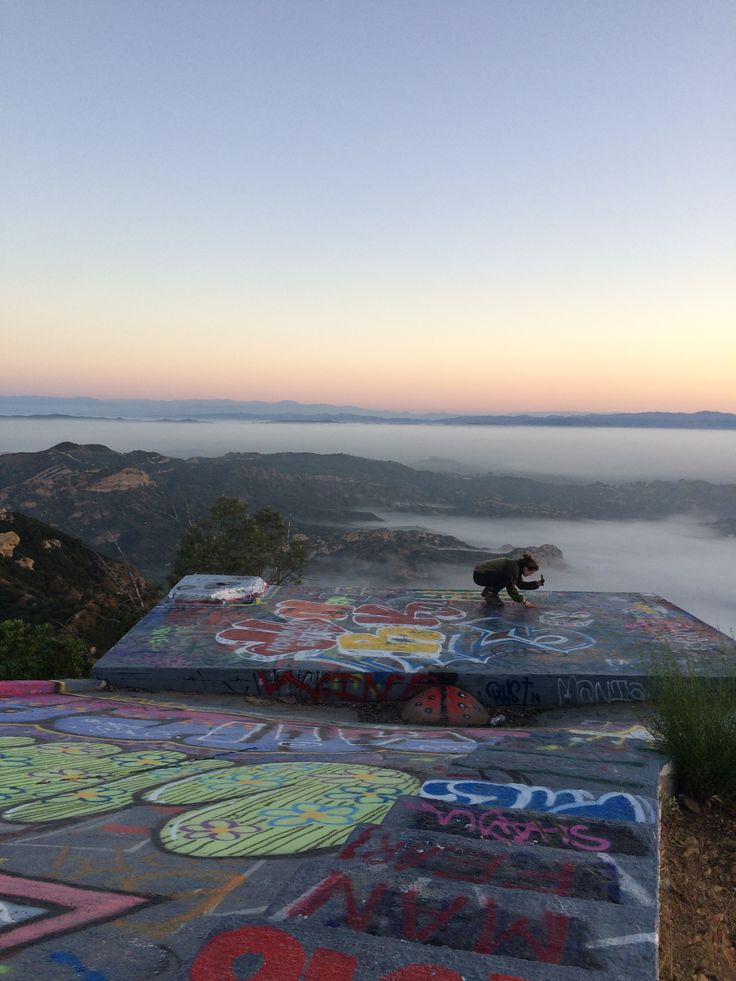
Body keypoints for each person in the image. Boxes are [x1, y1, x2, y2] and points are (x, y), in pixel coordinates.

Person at [472, 553, 545, 609]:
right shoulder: (514, 567)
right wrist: (524, 601)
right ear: (525, 568)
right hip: (480, 576)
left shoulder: (517, 567)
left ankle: (488, 592)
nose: (530, 575)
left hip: (483, 575)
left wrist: (536, 584)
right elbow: (511, 588)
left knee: (506, 576)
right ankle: (491, 594)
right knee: (507, 577)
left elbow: (520, 585)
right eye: (531, 572)